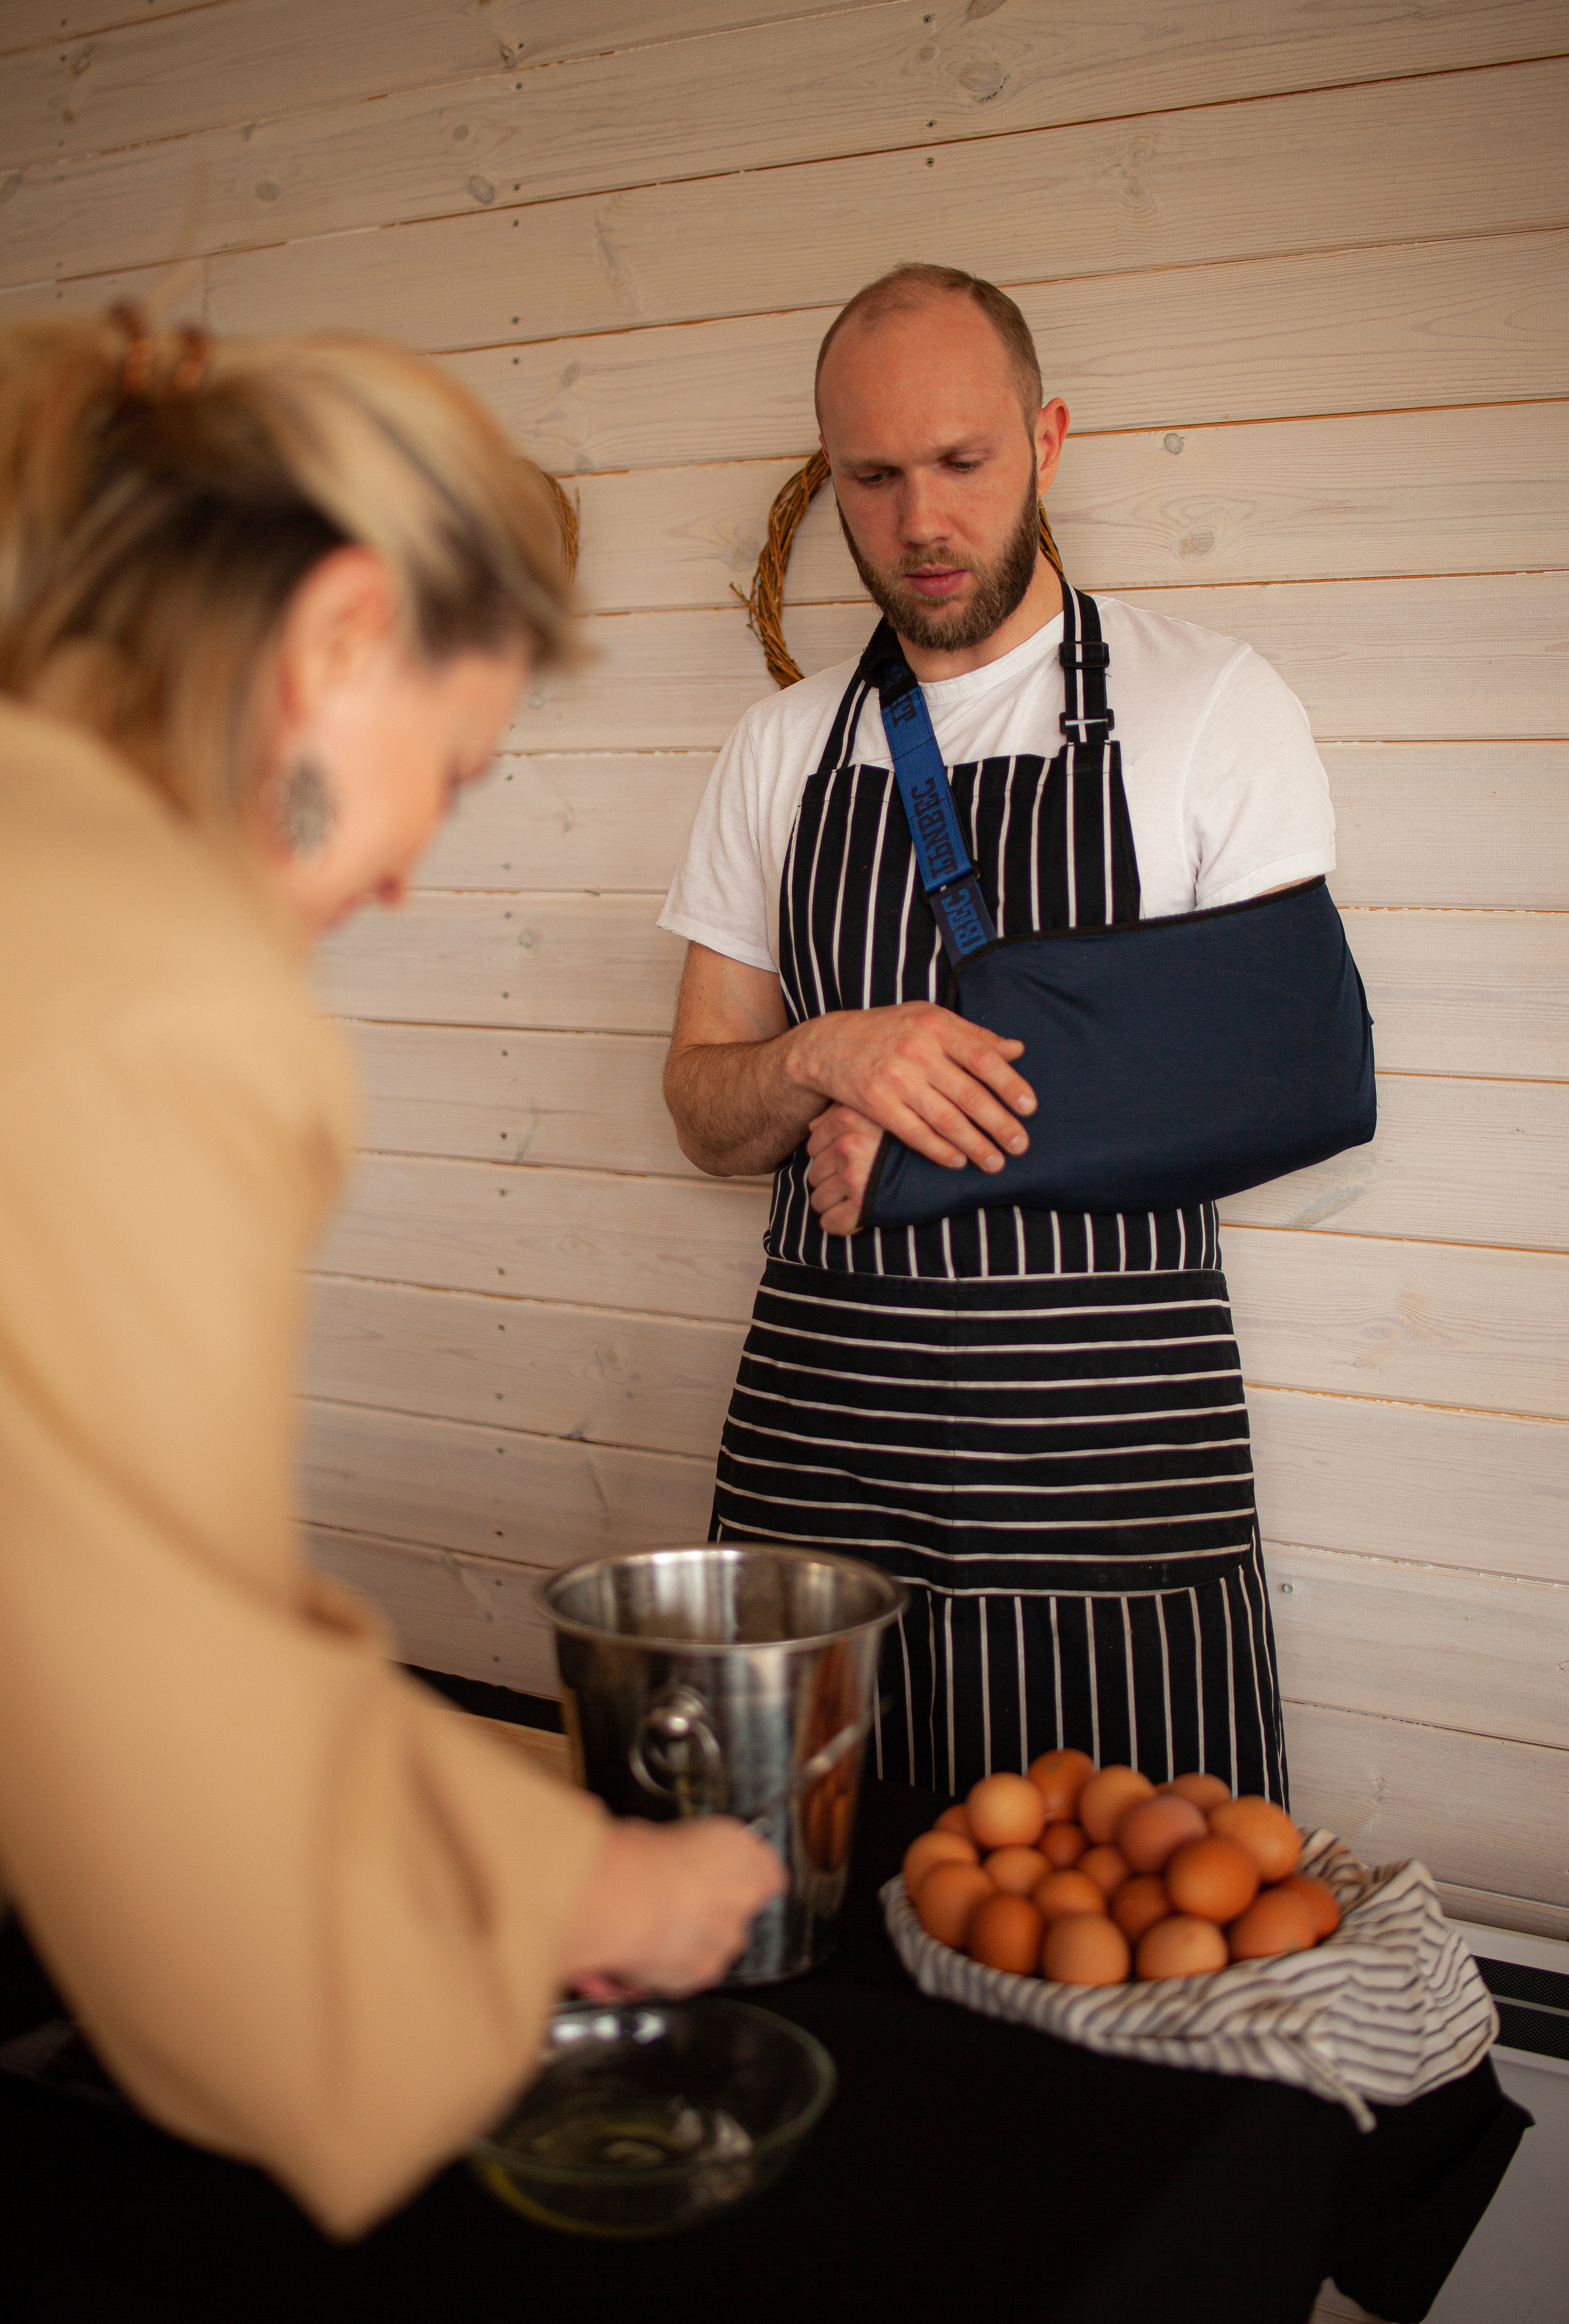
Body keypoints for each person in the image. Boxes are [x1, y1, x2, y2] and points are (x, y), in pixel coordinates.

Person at [0, 308, 782, 2238]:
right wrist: (578, 1889)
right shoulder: (157, 990)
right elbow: (151, 1714)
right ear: (344, 635)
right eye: (459, 764)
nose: (415, 868)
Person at [661, 264, 1336, 1805]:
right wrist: (826, 1055)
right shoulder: (778, 749)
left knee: (1129, 1913)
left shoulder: (1207, 704)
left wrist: (914, 1142)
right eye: (871, 477)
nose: (919, 521)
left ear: (1045, 439)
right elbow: (701, 1110)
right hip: (823, 1455)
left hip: (1106, 1478)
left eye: (961, 462)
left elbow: (1290, 1072)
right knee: (795, 1897)